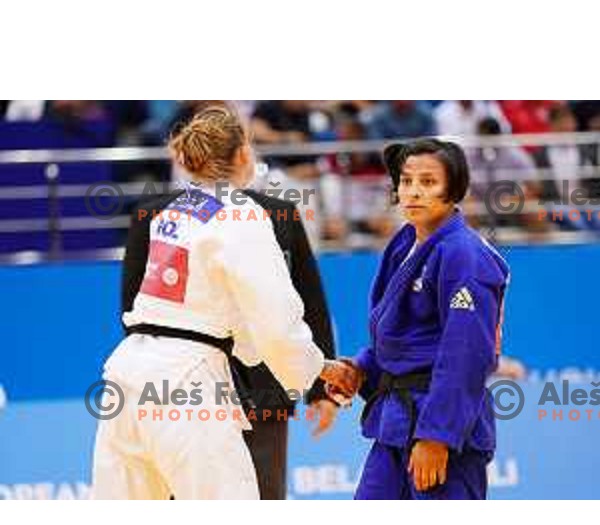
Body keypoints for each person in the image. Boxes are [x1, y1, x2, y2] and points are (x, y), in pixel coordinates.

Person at [92, 106, 358, 500]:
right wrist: (318, 368)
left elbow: (235, 320)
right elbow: (275, 321)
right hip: (189, 383)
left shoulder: (170, 211)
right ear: (242, 155)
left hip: (129, 376)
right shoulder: (242, 213)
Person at [122, 186, 340, 500]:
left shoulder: (275, 212)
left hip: (261, 389)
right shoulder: (156, 213)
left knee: (261, 491)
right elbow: (137, 311)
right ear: (242, 153)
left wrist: (320, 387)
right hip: (186, 388)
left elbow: (308, 300)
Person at [330, 138, 510, 500]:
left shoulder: (463, 254)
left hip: (441, 425)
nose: (413, 191)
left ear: (453, 189)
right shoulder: (405, 242)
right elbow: (401, 334)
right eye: (406, 180)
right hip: (395, 423)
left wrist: (437, 436)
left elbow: (467, 352)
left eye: (428, 182)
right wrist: (362, 368)